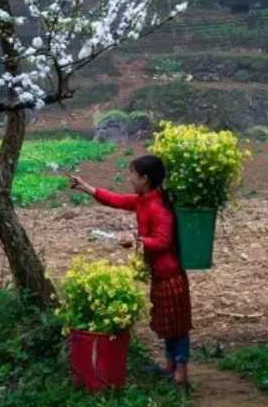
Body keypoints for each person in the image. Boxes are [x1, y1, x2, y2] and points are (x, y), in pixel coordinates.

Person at [68, 155, 193, 389]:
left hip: (171, 275)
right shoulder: (144, 200)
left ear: (145, 179)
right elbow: (115, 200)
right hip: (161, 275)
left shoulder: (158, 207)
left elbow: (163, 241)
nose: (129, 178)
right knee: (168, 324)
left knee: (178, 326)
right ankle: (170, 366)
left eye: (132, 174)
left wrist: (137, 240)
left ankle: (181, 373)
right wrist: (85, 187)